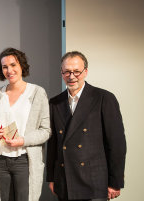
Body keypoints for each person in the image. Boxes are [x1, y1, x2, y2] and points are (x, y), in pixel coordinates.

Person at [46, 51, 127, 201]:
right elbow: (53, 144)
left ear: (86, 72)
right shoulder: (54, 102)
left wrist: (115, 182)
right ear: (61, 73)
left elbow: (117, 144)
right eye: (67, 72)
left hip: (94, 181)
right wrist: (51, 177)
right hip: (65, 180)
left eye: (77, 71)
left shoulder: (104, 98)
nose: (71, 76)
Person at [0, 47, 50, 201]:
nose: (9, 70)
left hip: (24, 159)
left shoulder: (37, 93)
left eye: (13, 65)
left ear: (21, 65)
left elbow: (45, 130)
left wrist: (23, 140)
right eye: (5, 67)